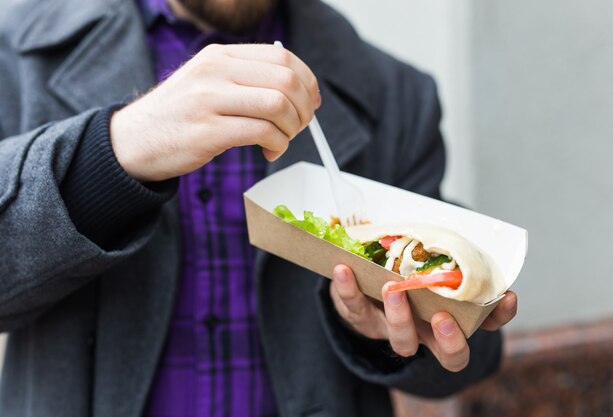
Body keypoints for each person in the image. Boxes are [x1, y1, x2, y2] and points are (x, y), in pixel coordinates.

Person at [0, 0, 517, 416]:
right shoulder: (17, 54)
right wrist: (113, 152)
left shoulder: (396, 94)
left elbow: (474, 356)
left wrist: (377, 333)